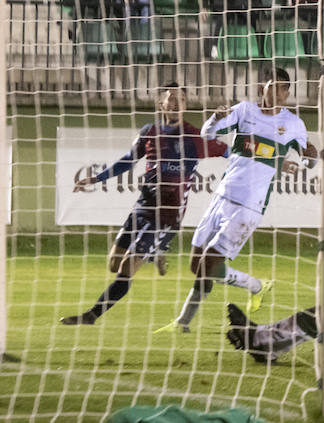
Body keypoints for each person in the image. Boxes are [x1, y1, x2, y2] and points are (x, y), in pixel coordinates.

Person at [159, 69, 318, 333]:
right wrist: (216, 118)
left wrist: (307, 159)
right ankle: (249, 289)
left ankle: (186, 320)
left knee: (209, 263)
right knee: (196, 265)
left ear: (288, 93)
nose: (278, 92)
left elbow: (307, 160)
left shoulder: (292, 124)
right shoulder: (244, 111)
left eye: (283, 88)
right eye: (273, 86)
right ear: (260, 88)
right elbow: (208, 135)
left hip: (249, 206)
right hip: (222, 196)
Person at [61, 85, 229, 326]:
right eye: (171, 99)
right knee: (113, 264)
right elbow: (128, 162)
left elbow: (230, 152)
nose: (175, 103)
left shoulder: (193, 138)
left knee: (128, 267)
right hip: (142, 207)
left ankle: (91, 316)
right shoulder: (148, 132)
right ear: (161, 103)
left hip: (167, 216)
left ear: (186, 106)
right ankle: (157, 253)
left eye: (181, 99)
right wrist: (96, 179)